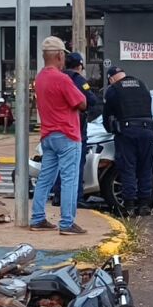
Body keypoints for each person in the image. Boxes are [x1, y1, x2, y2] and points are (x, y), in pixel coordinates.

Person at [30, 36, 88, 235]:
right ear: (59, 55)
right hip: (68, 134)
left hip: (48, 135)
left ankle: (37, 218)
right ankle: (67, 223)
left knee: (45, 178)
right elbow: (82, 103)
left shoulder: (40, 78)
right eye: (63, 54)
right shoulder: (62, 78)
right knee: (69, 179)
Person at [103, 66, 153, 217]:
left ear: (111, 79)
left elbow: (107, 116)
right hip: (147, 131)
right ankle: (144, 205)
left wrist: (110, 129)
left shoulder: (114, 89)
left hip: (127, 132)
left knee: (128, 168)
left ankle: (130, 207)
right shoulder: (142, 85)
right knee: (145, 167)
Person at [53, 52, 101, 210]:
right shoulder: (79, 80)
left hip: (58, 127)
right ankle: (77, 197)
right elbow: (92, 100)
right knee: (76, 164)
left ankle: (58, 196)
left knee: (60, 164)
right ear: (80, 65)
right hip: (77, 128)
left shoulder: (58, 77)